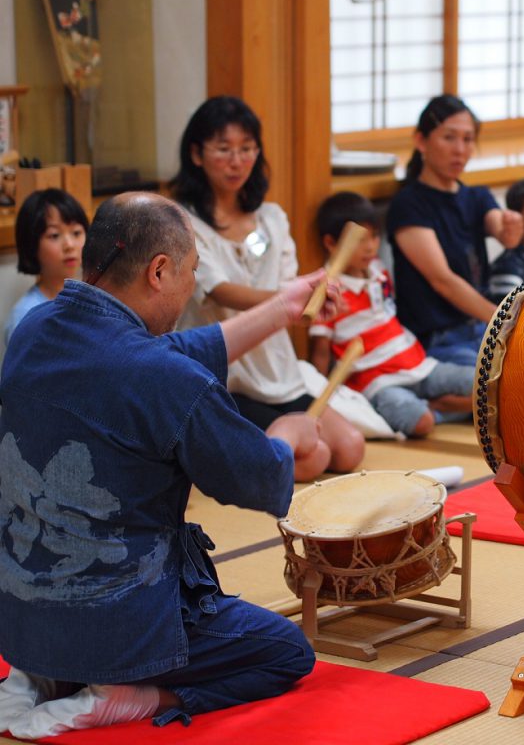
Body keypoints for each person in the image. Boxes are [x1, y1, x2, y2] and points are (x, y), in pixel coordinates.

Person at [0, 193, 335, 738]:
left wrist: (280, 310)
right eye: (191, 272)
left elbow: (166, 353)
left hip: (22, 613)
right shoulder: (162, 378)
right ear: (159, 271)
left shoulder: (34, 331)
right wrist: (285, 435)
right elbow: (254, 476)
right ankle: (132, 694)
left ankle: (44, 674)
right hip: (117, 616)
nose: (189, 287)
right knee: (284, 652)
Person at [171, 95, 363, 479]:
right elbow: (218, 290)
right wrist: (292, 299)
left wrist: (311, 300)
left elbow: (288, 290)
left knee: (350, 448)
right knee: (313, 458)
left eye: (246, 149)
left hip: (278, 373)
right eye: (223, 149)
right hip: (226, 379)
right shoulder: (181, 222)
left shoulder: (272, 218)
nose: (236, 160)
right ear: (197, 154)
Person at [310, 192, 474, 437]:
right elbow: (321, 353)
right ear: (331, 243)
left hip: (418, 364)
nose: (370, 246)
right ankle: (436, 407)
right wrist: (320, 401)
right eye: (359, 240)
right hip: (377, 381)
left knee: (487, 382)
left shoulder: (376, 268)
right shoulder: (327, 290)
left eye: (375, 237)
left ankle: (440, 405)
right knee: (421, 422)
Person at [385, 94, 523, 367]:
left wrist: (510, 226)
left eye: (468, 139)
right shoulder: (409, 204)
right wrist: (503, 320)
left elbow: (504, 232)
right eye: (449, 138)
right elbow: (443, 281)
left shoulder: (477, 196)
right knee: (508, 383)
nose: (460, 149)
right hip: (437, 338)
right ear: (421, 141)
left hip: (479, 328)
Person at [5, 188, 88, 346]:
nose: (69, 245)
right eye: (54, 235)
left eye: (76, 233)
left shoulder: (94, 298)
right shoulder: (26, 316)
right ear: (32, 244)